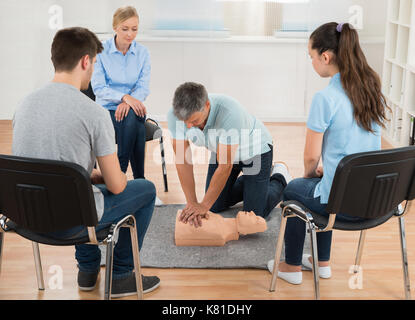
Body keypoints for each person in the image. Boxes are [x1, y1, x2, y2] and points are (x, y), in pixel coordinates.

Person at [12, 27, 160, 298]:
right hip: (72, 223)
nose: (92, 71)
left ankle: (88, 270)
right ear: (85, 61)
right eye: (93, 63)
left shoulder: (23, 106)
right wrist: (119, 177)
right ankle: (121, 276)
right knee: (145, 189)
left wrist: (87, 175)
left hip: (27, 219)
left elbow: (39, 164)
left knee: (84, 188)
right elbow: (116, 187)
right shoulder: (94, 113)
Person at [267, 22, 389, 285]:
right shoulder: (371, 89)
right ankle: (322, 263)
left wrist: (310, 176)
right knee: (323, 185)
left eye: (311, 56)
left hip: (342, 204)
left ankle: (291, 267)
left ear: (325, 57)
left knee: (295, 190)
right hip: (372, 200)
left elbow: (311, 158)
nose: (311, 62)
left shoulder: (326, 98)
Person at [168, 82, 292, 228]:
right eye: (185, 122)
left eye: (194, 121)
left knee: (254, 214)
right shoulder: (175, 115)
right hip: (221, 150)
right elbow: (183, 162)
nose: (189, 126)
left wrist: (204, 205)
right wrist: (192, 203)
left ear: (207, 106)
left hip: (255, 151)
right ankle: (255, 182)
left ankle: (279, 176)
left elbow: (224, 167)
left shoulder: (230, 112)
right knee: (214, 207)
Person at [91, 6, 150, 180]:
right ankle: (137, 179)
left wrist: (128, 103)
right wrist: (124, 97)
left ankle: (118, 175)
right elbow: (99, 87)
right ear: (115, 27)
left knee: (132, 116)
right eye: (125, 29)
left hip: (132, 108)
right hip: (106, 111)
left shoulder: (143, 53)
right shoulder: (100, 51)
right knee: (137, 125)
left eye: (134, 29)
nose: (130, 34)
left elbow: (143, 86)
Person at [175, 210, 267, 246]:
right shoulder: (220, 220)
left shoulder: (220, 234)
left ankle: (279, 177)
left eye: (256, 219)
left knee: (258, 206)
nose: (252, 212)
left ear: (245, 231)